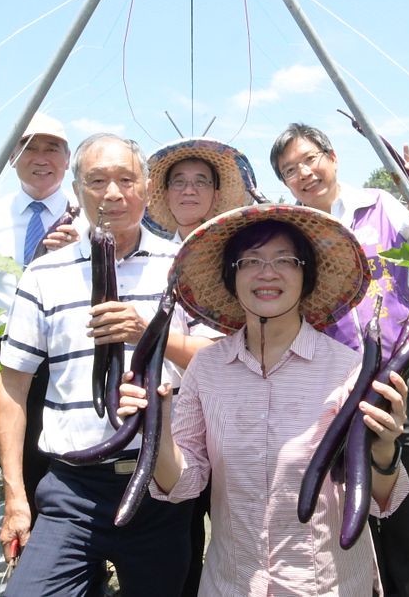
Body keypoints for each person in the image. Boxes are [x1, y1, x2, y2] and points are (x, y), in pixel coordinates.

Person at [120, 203, 409, 594]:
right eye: (250, 261)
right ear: (232, 277)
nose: (267, 272)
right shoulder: (206, 369)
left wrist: (385, 449)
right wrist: (155, 427)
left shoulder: (349, 371)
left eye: (285, 260)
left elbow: (380, 498)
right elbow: (184, 483)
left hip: (326, 583)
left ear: (306, 275)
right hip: (233, 582)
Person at [0, 133, 212, 595]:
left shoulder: (185, 267)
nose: (112, 193)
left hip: (159, 484)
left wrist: (148, 332)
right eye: (97, 180)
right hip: (73, 489)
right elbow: (12, 387)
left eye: (125, 179)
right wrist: (15, 494)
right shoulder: (42, 274)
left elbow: (217, 364)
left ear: (147, 190)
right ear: (77, 191)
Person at [270, 122, 409, 597]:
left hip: (403, 372)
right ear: (285, 183)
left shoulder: (380, 205)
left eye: (309, 159)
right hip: (330, 380)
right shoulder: (294, 232)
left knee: (404, 498)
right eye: (290, 170)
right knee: (342, 498)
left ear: (332, 157)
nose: (303, 173)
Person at [144, 137, 260, 596]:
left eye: (200, 182)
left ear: (216, 194)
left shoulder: (237, 257)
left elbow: (217, 353)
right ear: (166, 196)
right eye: (179, 182)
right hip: (176, 417)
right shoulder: (149, 259)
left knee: (241, 528)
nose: (189, 191)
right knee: (181, 529)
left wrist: (149, 335)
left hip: (236, 415)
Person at [0, 111, 80, 520]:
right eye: (29, 146)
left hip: (72, 350)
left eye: (52, 148)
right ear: (12, 156)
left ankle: (86, 560)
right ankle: (30, 542)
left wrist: (82, 252)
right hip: (7, 354)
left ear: (67, 160)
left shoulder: (87, 215)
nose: (41, 157)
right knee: (20, 462)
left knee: (77, 462)